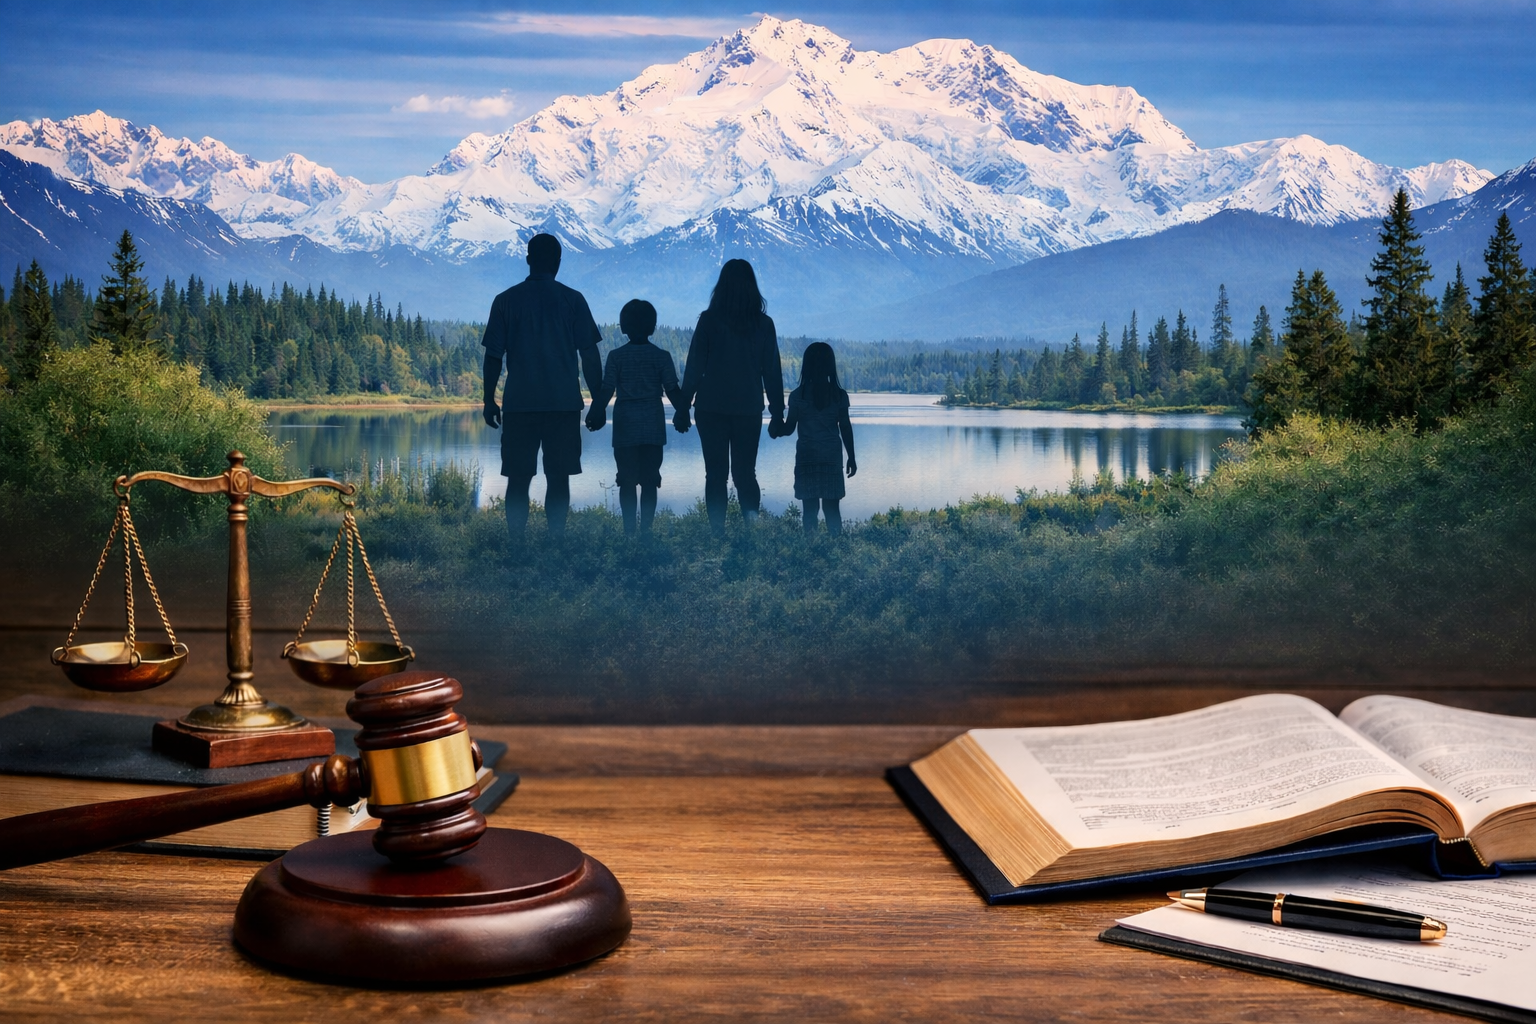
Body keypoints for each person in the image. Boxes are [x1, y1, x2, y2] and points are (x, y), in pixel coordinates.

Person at [481, 233, 603, 543]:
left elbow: (493, 356)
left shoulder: (505, 300)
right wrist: (599, 402)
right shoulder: (573, 300)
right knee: (559, 478)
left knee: (518, 479)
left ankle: (516, 543)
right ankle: (556, 542)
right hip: (563, 404)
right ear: (558, 263)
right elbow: (589, 355)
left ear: (528, 260)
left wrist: (488, 399)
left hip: (519, 405)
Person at [675, 259, 784, 535]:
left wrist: (683, 406)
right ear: (752, 287)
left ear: (721, 286)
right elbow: (772, 371)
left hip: (710, 408)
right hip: (748, 409)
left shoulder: (709, 321)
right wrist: (777, 413)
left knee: (715, 474)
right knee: (745, 474)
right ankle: (752, 531)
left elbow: (694, 367)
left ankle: (717, 532)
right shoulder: (764, 324)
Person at [586, 299, 683, 536]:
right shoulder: (661, 356)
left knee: (626, 481)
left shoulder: (616, 356)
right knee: (650, 482)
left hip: (625, 426)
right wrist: (683, 412)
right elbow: (672, 389)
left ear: (624, 326)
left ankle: (629, 532)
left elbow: (606, 389)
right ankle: (646, 532)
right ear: (652, 326)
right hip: (653, 425)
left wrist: (595, 411)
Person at [781, 342, 857, 536]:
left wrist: (776, 427)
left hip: (806, 458)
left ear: (806, 366)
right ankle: (836, 546)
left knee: (809, 510)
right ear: (830, 366)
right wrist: (851, 457)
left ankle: (811, 547)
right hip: (831, 459)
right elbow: (845, 428)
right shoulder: (839, 396)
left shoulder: (797, 396)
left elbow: (789, 428)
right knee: (832, 509)